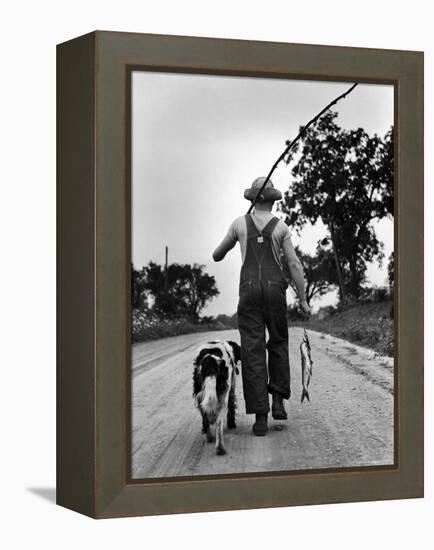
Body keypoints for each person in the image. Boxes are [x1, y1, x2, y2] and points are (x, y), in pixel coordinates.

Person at [213, 177, 310, 436]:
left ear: (252, 199)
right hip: (275, 292)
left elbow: (216, 255)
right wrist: (302, 299)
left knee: (253, 350)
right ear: (272, 200)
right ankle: (278, 400)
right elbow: (294, 266)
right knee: (277, 342)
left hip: (248, 293)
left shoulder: (239, 223)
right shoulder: (281, 227)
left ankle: (259, 417)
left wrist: (238, 233)